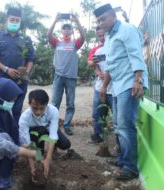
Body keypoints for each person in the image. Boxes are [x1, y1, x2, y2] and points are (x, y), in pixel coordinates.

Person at [93, 4, 148, 180]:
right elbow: (109, 65)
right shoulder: (109, 36)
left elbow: (136, 54)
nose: (101, 23)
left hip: (130, 82)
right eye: (98, 21)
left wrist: (138, 80)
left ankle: (130, 168)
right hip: (117, 85)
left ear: (113, 16)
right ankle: (124, 160)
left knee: (125, 124)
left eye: (103, 19)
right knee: (118, 124)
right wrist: (104, 87)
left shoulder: (127, 29)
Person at [0, 7, 36, 123]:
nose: (14, 22)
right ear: (6, 20)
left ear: (20, 22)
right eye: (12, 19)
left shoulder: (26, 39)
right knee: (0, 108)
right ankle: (1, 133)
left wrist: (26, 72)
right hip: (3, 80)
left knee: (17, 110)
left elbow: (31, 58)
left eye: (17, 20)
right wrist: (6, 69)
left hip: (21, 82)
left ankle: (15, 133)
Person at [19, 89, 71, 181]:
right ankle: (39, 155)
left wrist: (48, 159)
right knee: (38, 150)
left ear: (47, 104)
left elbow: (53, 135)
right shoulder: (24, 118)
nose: (38, 112)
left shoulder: (53, 111)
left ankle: (51, 150)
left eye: (42, 108)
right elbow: (27, 144)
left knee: (66, 144)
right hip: (34, 133)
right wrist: (32, 168)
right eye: (35, 108)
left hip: (48, 129)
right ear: (29, 104)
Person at [47, 13, 86, 136]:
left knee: (70, 103)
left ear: (71, 31)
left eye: (69, 28)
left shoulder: (75, 44)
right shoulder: (56, 43)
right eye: (65, 28)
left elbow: (83, 37)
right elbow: (48, 35)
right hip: (58, 76)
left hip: (71, 77)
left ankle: (67, 125)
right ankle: (53, 125)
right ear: (62, 31)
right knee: (55, 103)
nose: (67, 30)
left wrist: (77, 20)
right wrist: (55, 20)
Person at [87, 26, 113, 143]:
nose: (102, 38)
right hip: (99, 88)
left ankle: (119, 145)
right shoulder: (98, 51)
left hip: (113, 89)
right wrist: (98, 73)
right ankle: (98, 136)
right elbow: (94, 65)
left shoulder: (115, 48)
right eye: (99, 36)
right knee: (97, 114)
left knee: (117, 118)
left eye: (104, 35)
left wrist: (105, 77)